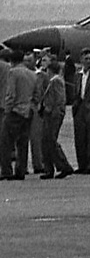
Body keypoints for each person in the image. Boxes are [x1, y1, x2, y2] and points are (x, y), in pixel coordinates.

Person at [0, 50, 38, 180]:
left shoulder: (13, 73)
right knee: (22, 143)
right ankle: (21, 170)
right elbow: (36, 94)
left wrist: (7, 110)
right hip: (28, 111)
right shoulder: (32, 74)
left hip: (15, 111)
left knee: (6, 142)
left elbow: (11, 94)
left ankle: (6, 171)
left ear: (11, 61)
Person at [37, 59, 74, 179]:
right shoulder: (54, 81)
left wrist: (51, 109)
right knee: (46, 141)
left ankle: (63, 165)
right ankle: (50, 168)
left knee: (50, 140)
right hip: (50, 113)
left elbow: (59, 99)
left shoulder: (56, 81)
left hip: (53, 114)